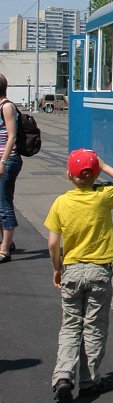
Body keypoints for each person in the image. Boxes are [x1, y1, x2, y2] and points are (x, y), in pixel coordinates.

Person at [44, 148, 113, 403]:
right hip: (99, 272)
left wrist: (57, 268)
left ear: (68, 175)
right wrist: (105, 166)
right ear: (94, 175)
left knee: (70, 326)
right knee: (94, 326)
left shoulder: (61, 203)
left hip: (71, 271)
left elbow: (52, 243)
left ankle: (63, 377)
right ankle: (89, 380)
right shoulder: (103, 197)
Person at [0, 74, 21, 263]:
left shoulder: (6, 106)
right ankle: (7, 242)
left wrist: (3, 162)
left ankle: (5, 249)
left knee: (4, 204)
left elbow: (12, 137)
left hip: (8, 161)